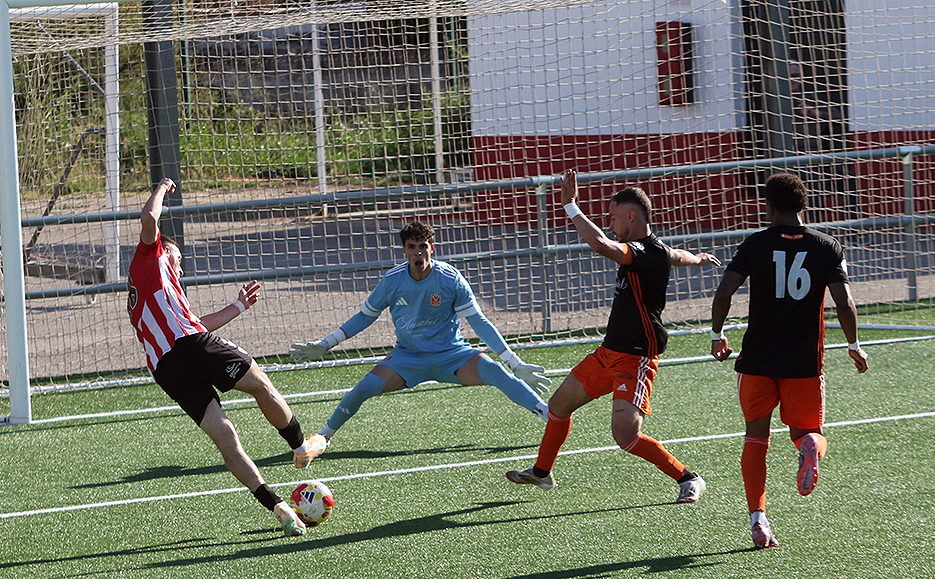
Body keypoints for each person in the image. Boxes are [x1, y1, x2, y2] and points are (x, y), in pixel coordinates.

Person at [506, 169, 720, 503]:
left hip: (636, 357)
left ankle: (689, 478)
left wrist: (571, 206)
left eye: (613, 216)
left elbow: (599, 244)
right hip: (609, 352)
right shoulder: (654, 250)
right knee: (558, 405)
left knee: (625, 435)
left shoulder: (647, 252)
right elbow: (677, 255)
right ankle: (542, 473)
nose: (609, 223)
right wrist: (697, 259)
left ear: (631, 216)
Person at [127, 177, 325, 537]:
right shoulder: (151, 256)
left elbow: (195, 323)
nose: (182, 268)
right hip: (190, 347)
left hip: (167, 370)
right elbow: (149, 221)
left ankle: (278, 506)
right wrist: (160, 188)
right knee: (262, 384)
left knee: (227, 439)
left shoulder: (147, 290)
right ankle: (300, 447)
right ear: (163, 249)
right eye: (179, 259)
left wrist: (237, 306)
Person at [288, 220, 551, 465]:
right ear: (404, 251)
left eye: (422, 246)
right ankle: (323, 437)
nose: (418, 253)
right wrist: (326, 343)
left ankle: (549, 415)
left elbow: (480, 323)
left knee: (496, 371)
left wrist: (514, 362)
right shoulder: (392, 280)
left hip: (452, 356)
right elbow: (364, 317)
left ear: (431, 248)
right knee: (365, 387)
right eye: (412, 247)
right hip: (408, 358)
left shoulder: (450, 279)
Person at [709, 172, 869, 549]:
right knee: (806, 432)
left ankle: (759, 521)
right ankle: (808, 447)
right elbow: (844, 302)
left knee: (755, 438)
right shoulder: (827, 246)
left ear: (770, 206)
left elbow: (724, 291)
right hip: (803, 362)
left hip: (758, 360)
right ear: (804, 205)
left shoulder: (755, 244)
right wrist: (854, 344)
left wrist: (717, 335)